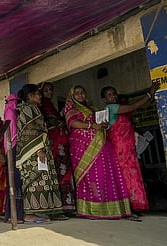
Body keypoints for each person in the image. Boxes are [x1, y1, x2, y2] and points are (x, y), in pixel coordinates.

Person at [64, 85, 131, 219]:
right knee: (91, 177)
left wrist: (103, 125)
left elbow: (100, 123)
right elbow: (73, 124)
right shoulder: (71, 109)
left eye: (82, 92)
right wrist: (92, 125)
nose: (80, 95)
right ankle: (93, 209)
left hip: (101, 145)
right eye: (76, 93)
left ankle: (110, 208)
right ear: (72, 97)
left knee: (105, 175)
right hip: (83, 149)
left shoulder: (93, 109)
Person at [100, 83, 159, 221]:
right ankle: (128, 207)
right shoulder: (111, 107)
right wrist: (149, 95)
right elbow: (132, 107)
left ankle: (133, 206)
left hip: (127, 148)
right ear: (105, 100)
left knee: (131, 176)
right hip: (120, 149)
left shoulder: (116, 108)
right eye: (110, 94)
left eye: (114, 93)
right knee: (126, 177)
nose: (113, 96)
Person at [16, 84, 64, 223]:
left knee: (44, 180)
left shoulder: (34, 108)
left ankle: (46, 210)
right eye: (38, 94)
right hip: (32, 152)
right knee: (35, 181)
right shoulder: (27, 110)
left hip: (40, 149)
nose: (40, 96)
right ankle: (30, 214)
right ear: (30, 96)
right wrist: (39, 149)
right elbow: (29, 132)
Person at [38, 82, 76, 214]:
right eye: (46, 90)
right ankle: (61, 205)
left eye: (51, 90)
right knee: (58, 170)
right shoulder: (41, 106)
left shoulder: (50, 105)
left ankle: (67, 204)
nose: (49, 92)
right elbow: (48, 122)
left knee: (63, 170)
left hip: (60, 140)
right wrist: (59, 122)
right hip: (53, 141)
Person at [3, 94, 24, 223]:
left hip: (10, 149)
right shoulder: (11, 113)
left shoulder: (8, 112)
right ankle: (15, 215)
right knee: (15, 183)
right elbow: (13, 133)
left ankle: (11, 214)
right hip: (13, 148)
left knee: (14, 183)